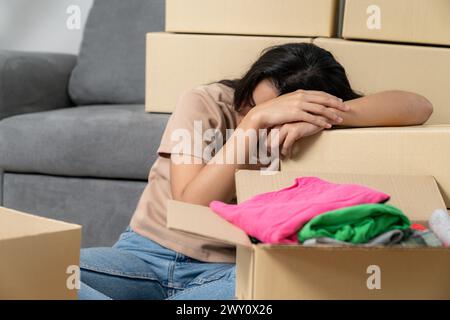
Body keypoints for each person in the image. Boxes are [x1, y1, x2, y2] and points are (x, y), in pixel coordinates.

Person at [78, 43, 433, 300]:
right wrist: (254, 122)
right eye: (250, 100)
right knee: (44, 269)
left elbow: (419, 106)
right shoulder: (205, 103)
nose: (250, 109)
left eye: (275, 110)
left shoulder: (316, 121)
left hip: (231, 271)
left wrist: (332, 115)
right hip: (146, 253)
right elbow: (189, 204)